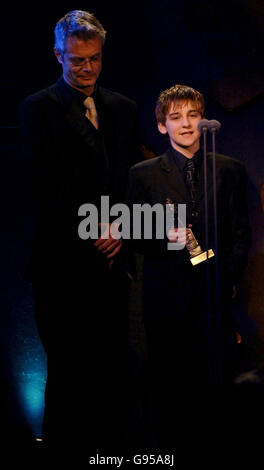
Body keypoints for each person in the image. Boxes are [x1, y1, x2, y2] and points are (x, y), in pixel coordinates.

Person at [19, 10, 141, 455]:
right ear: (58, 55)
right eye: (77, 60)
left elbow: (131, 178)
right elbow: (44, 185)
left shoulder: (122, 108)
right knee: (69, 372)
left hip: (113, 262)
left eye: (93, 59)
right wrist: (95, 230)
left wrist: (121, 228)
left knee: (113, 369)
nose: (86, 68)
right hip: (63, 262)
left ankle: (110, 456)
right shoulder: (38, 109)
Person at [126, 84, 252, 451]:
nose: (185, 124)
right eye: (176, 117)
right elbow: (133, 237)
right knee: (170, 395)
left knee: (216, 393)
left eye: (193, 115)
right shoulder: (143, 174)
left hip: (214, 302)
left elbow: (241, 234)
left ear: (204, 120)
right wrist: (167, 238)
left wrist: (224, 280)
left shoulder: (229, 169)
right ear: (162, 126)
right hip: (166, 302)